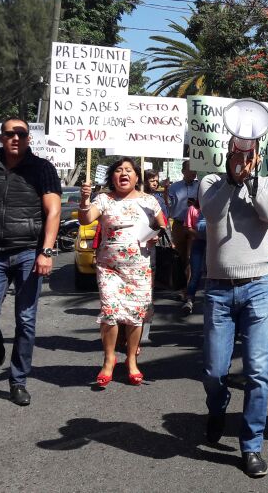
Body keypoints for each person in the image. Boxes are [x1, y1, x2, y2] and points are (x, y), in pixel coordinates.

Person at [198, 135, 268, 478]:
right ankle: (217, 405)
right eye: (236, 150)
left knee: (258, 373)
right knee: (215, 372)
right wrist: (232, 180)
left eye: (249, 151)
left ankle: (251, 445)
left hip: (258, 287)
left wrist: (250, 179)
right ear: (227, 150)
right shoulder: (211, 182)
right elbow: (212, 215)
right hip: (218, 290)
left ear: (258, 155)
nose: (242, 156)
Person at [0, 118, 61, 406]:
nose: (16, 138)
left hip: (29, 254)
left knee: (26, 319)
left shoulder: (42, 169)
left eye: (21, 133)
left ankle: (18, 379)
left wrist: (46, 252)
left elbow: (53, 211)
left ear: (28, 138)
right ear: (1, 137)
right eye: (10, 133)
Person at [79, 158, 165, 387]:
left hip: (139, 268)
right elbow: (86, 218)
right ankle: (109, 360)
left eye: (129, 170)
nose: (123, 174)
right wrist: (84, 200)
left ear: (137, 177)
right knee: (110, 311)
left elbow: (161, 224)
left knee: (136, 315)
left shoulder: (149, 201)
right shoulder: (104, 199)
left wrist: (156, 234)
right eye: (119, 170)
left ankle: (131, 361)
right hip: (109, 267)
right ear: (112, 177)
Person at [168, 161, 200, 290]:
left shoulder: (201, 186)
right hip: (179, 225)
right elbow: (169, 206)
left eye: (195, 170)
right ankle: (182, 284)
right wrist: (165, 194)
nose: (193, 172)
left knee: (190, 256)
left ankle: (189, 289)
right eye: (190, 169)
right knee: (181, 256)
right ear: (183, 171)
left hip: (194, 225)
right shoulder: (174, 187)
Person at [182, 196, 206, 316]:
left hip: (213, 245)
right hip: (198, 242)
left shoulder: (217, 207)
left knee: (211, 275)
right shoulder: (193, 208)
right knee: (195, 272)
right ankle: (189, 299)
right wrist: (199, 235)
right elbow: (187, 227)